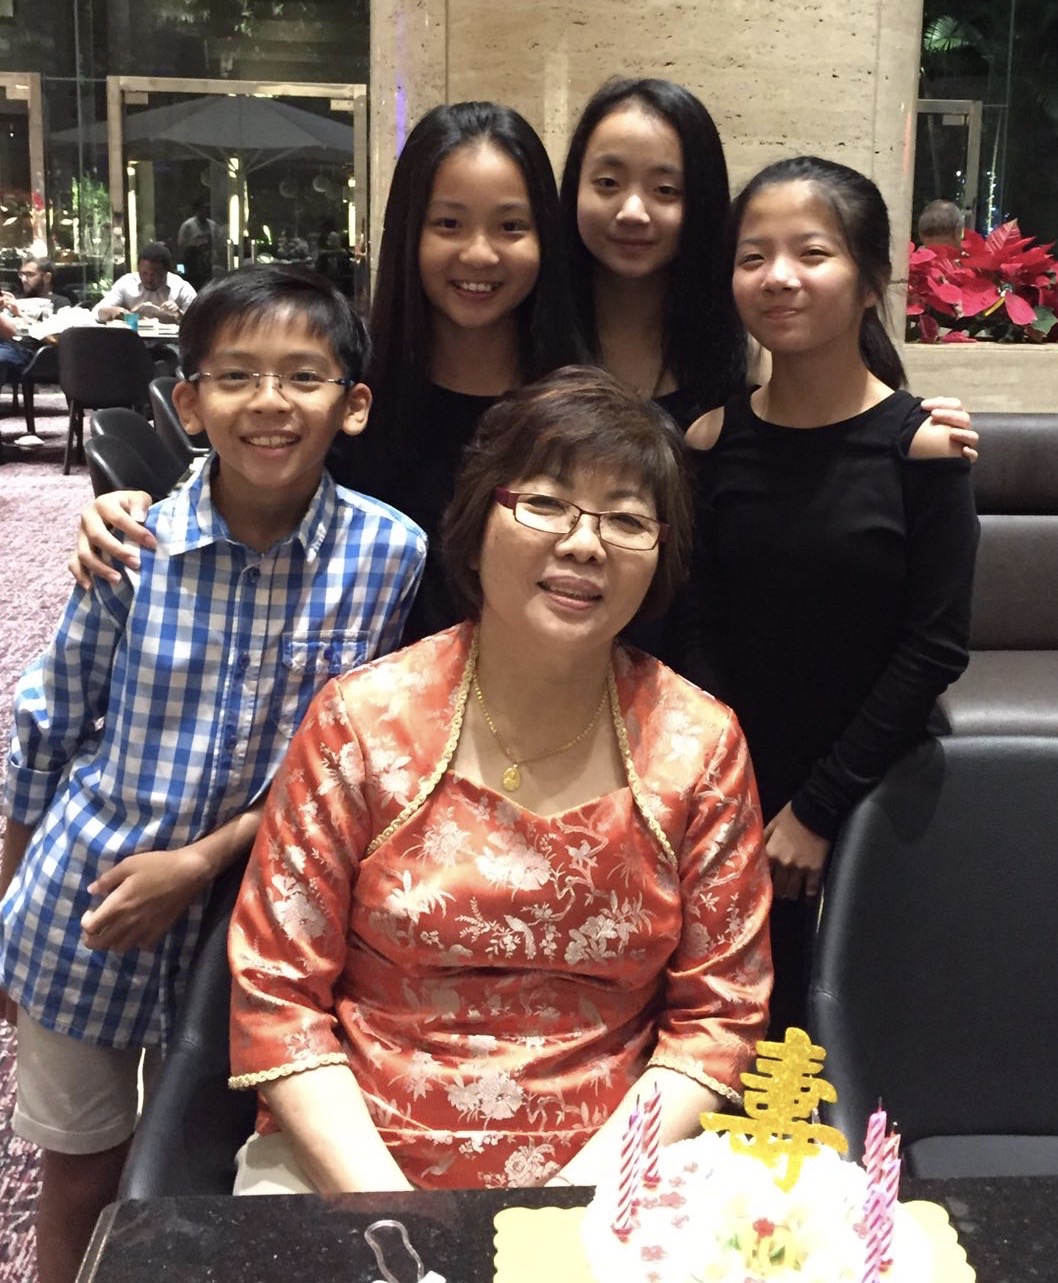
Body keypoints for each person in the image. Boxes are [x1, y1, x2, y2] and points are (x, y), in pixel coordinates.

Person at [226, 366, 772, 1195]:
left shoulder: (700, 744)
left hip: (614, 1170)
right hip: (352, 1159)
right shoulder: (361, 721)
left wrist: (572, 1211)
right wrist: (395, 1210)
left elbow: (719, 1015)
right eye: (546, 503)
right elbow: (277, 994)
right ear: (479, 519)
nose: (584, 543)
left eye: (627, 519)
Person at [0, 263, 426, 1283]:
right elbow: (46, 727)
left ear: (353, 404)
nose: (269, 401)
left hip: (253, 919)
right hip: (88, 905)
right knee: (81, 1174)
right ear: (189, 402)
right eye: (236, 376)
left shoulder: (388, 554)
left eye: (303, 376)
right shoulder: (133, 543)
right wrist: (8, 903)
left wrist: (199, 861)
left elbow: (348, 760)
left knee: (199, 1178)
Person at [69, 102, 582, 641]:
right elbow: (248, 479)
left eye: (511, 226)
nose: (479, 254)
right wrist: (134, 508)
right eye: (448, 224)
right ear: (409, 232)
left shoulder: (576, 404)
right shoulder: (341, 386)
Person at [681, 156, 979, 1031]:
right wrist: (734, 789)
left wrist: (817, 807)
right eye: (754, 256)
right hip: (733, 788)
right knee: (740, 1031)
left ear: (871, 281)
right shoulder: (710, 441)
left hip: (880, 786)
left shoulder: (923, 447)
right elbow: (698, 625)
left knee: (863, 1029)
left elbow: (934, 646)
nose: (779, 276)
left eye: (812, 253)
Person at [560, 77, 742, 429]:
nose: (632, 212)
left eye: (665, 190)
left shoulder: (746, 345)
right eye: (608, 183)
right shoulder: (527, 330)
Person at [93, 241, 197, 323]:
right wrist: (114, 312)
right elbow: (96, 313)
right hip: (131, 340)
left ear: (166, 271)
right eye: (144, 274)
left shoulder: (181, 288)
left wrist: (179, 315)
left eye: (154, 274)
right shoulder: (126, 283)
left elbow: (199, 323)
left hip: (169, 342)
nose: (149, 279)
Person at [177, 199, 225, 289]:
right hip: (191, 265)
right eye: (203, 208)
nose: (205, 211)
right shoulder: (188, 226)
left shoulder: (213, 225)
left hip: (208, 264)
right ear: (197, 210)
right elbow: (181, 247)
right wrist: (181, 270)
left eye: (207, 209)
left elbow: (217, 244)